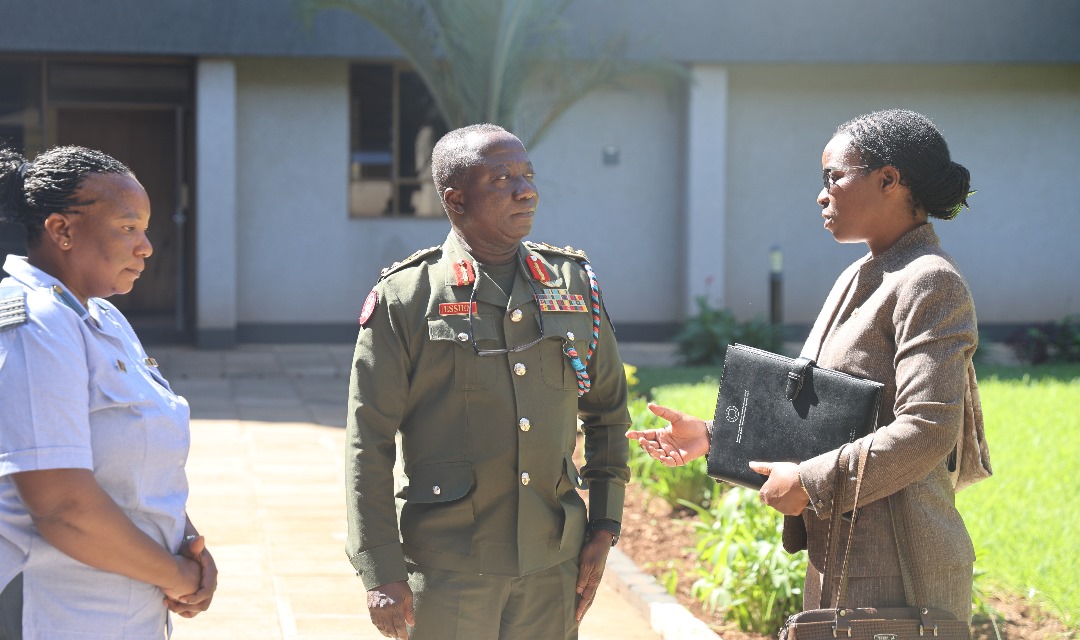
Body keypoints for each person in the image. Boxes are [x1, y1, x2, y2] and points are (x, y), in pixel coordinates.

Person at [628, 109, 990, 624]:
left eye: (833, 177)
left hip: (901, 567)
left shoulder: (930, 281)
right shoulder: (859, 275)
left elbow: (929, 429)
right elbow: (821, 416)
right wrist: (717, 437)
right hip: (840, 550)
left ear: (889, 180)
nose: (822, 195)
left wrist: (811, 483)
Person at [346, 123, 630, 639]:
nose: (526, 190)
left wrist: (605, 525)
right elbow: (369, 441)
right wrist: (381, 568)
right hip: (449, 568)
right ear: (455, 199)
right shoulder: (408, 298)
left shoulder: (571, 285)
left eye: (527, 174)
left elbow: (608, 412)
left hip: (551, 565)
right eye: (502, 178)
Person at [0, 146, 217, 639]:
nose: (146, 247)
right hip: (55, 613)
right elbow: (61, 506)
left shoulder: (101, 316)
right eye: (127, 228)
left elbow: (131, 463)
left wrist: (187, 542)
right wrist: (177, 576)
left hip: (123, 608)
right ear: (62, 230)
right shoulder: (35, 321)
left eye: (144, 228)